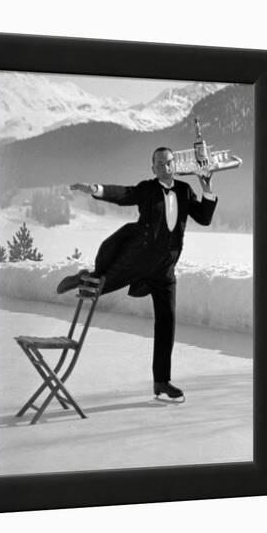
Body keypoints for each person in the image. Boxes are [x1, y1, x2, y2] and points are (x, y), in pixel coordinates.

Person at [56, 147, 218, 399]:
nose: (164, 167)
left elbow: (204, 218)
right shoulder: (147, 189)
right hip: (138, 258)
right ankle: (84, 276)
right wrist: (96, 189)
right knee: (100, 285)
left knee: (167, 322)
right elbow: (124, 194)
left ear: (174, 165)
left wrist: (207, 188)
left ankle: (161, 382)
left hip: (165, 268)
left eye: (168, 163)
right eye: (159, 164)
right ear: (153, 168)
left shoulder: (185, 190)